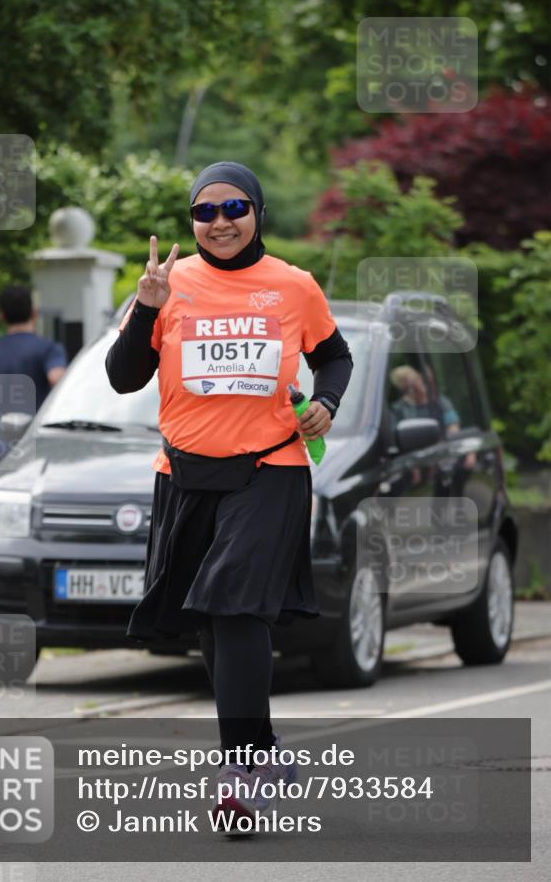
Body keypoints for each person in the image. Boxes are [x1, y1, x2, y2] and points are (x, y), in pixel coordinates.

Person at [105, 161, 353, 826]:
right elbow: (123, 378)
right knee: (209, 617)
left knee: (235, 604)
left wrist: (324, 401)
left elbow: (335, 356)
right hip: (184, 474)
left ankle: (240, 769)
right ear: (191, 220)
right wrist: (146, 310)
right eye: (204, 211)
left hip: (271, 468)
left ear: (257, 212)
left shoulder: (293, 287)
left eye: (233, 207)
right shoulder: (167, 284)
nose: (218, 222)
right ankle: (263, 747)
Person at [0, 285, 67, 474]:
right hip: (34, 448)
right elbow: (57, 380)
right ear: (34, 313)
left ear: (2, 317)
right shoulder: (48, 349)